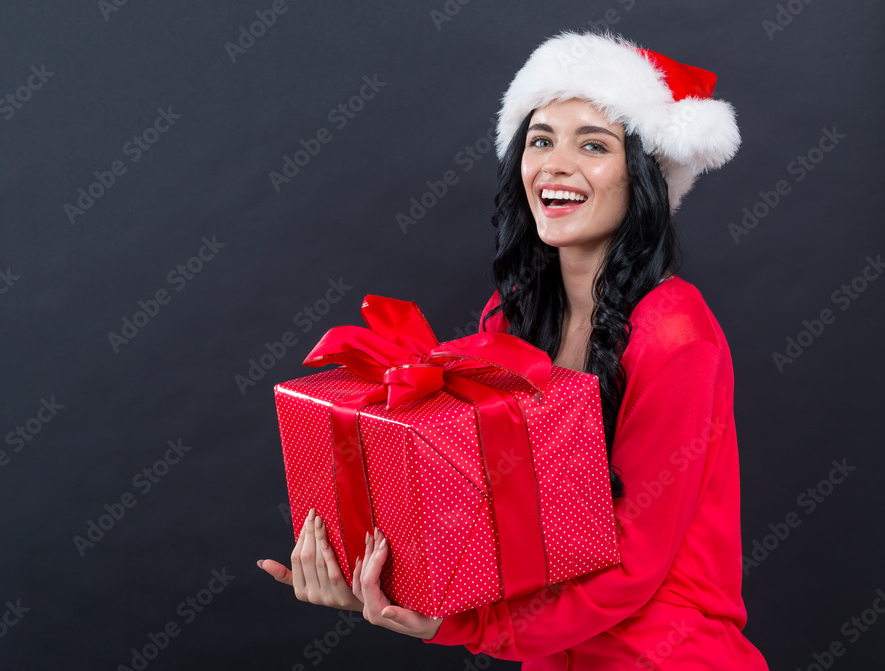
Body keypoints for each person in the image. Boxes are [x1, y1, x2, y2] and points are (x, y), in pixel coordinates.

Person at [258, 29, 770, 669]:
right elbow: (485, 519)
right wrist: (377, 570)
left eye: (593, 145)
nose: (555, 164)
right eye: (540, 140)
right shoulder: (512, 317)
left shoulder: (677, 335)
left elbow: (636, 563)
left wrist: (462, 627)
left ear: (643, 174)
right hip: (552, 653)